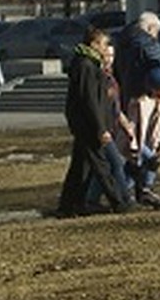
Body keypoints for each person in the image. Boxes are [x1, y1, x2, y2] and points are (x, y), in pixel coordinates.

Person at [57, 26, 133, 218]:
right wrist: (101, 128)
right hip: (89, 126)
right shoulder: (86, 66)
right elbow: (91, 100)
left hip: (87, 124)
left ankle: (70, 205)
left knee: (80, 167)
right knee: (103, 165)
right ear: (94, 44)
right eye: (103, 44)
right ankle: (119, 201)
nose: (105, 48)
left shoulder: (88, 65)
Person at [114, 11, 160, 207]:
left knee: (133, 144)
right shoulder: (148, 43)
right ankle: (140, 188)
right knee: (144, 147)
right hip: (146, 97)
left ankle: (132, 190)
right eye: (156, 32)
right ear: (150, 29)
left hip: (129, 95)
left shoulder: (123, 40)